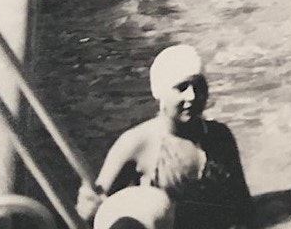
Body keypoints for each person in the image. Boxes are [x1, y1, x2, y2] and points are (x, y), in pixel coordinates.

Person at [75, 45, 253, 229]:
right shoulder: (135, 144)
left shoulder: (219, 136)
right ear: (159, 92)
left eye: (199, 86)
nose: (192, 96)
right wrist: (88, 208)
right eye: (182, 87)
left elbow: (243, 207)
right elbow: (101, 212)